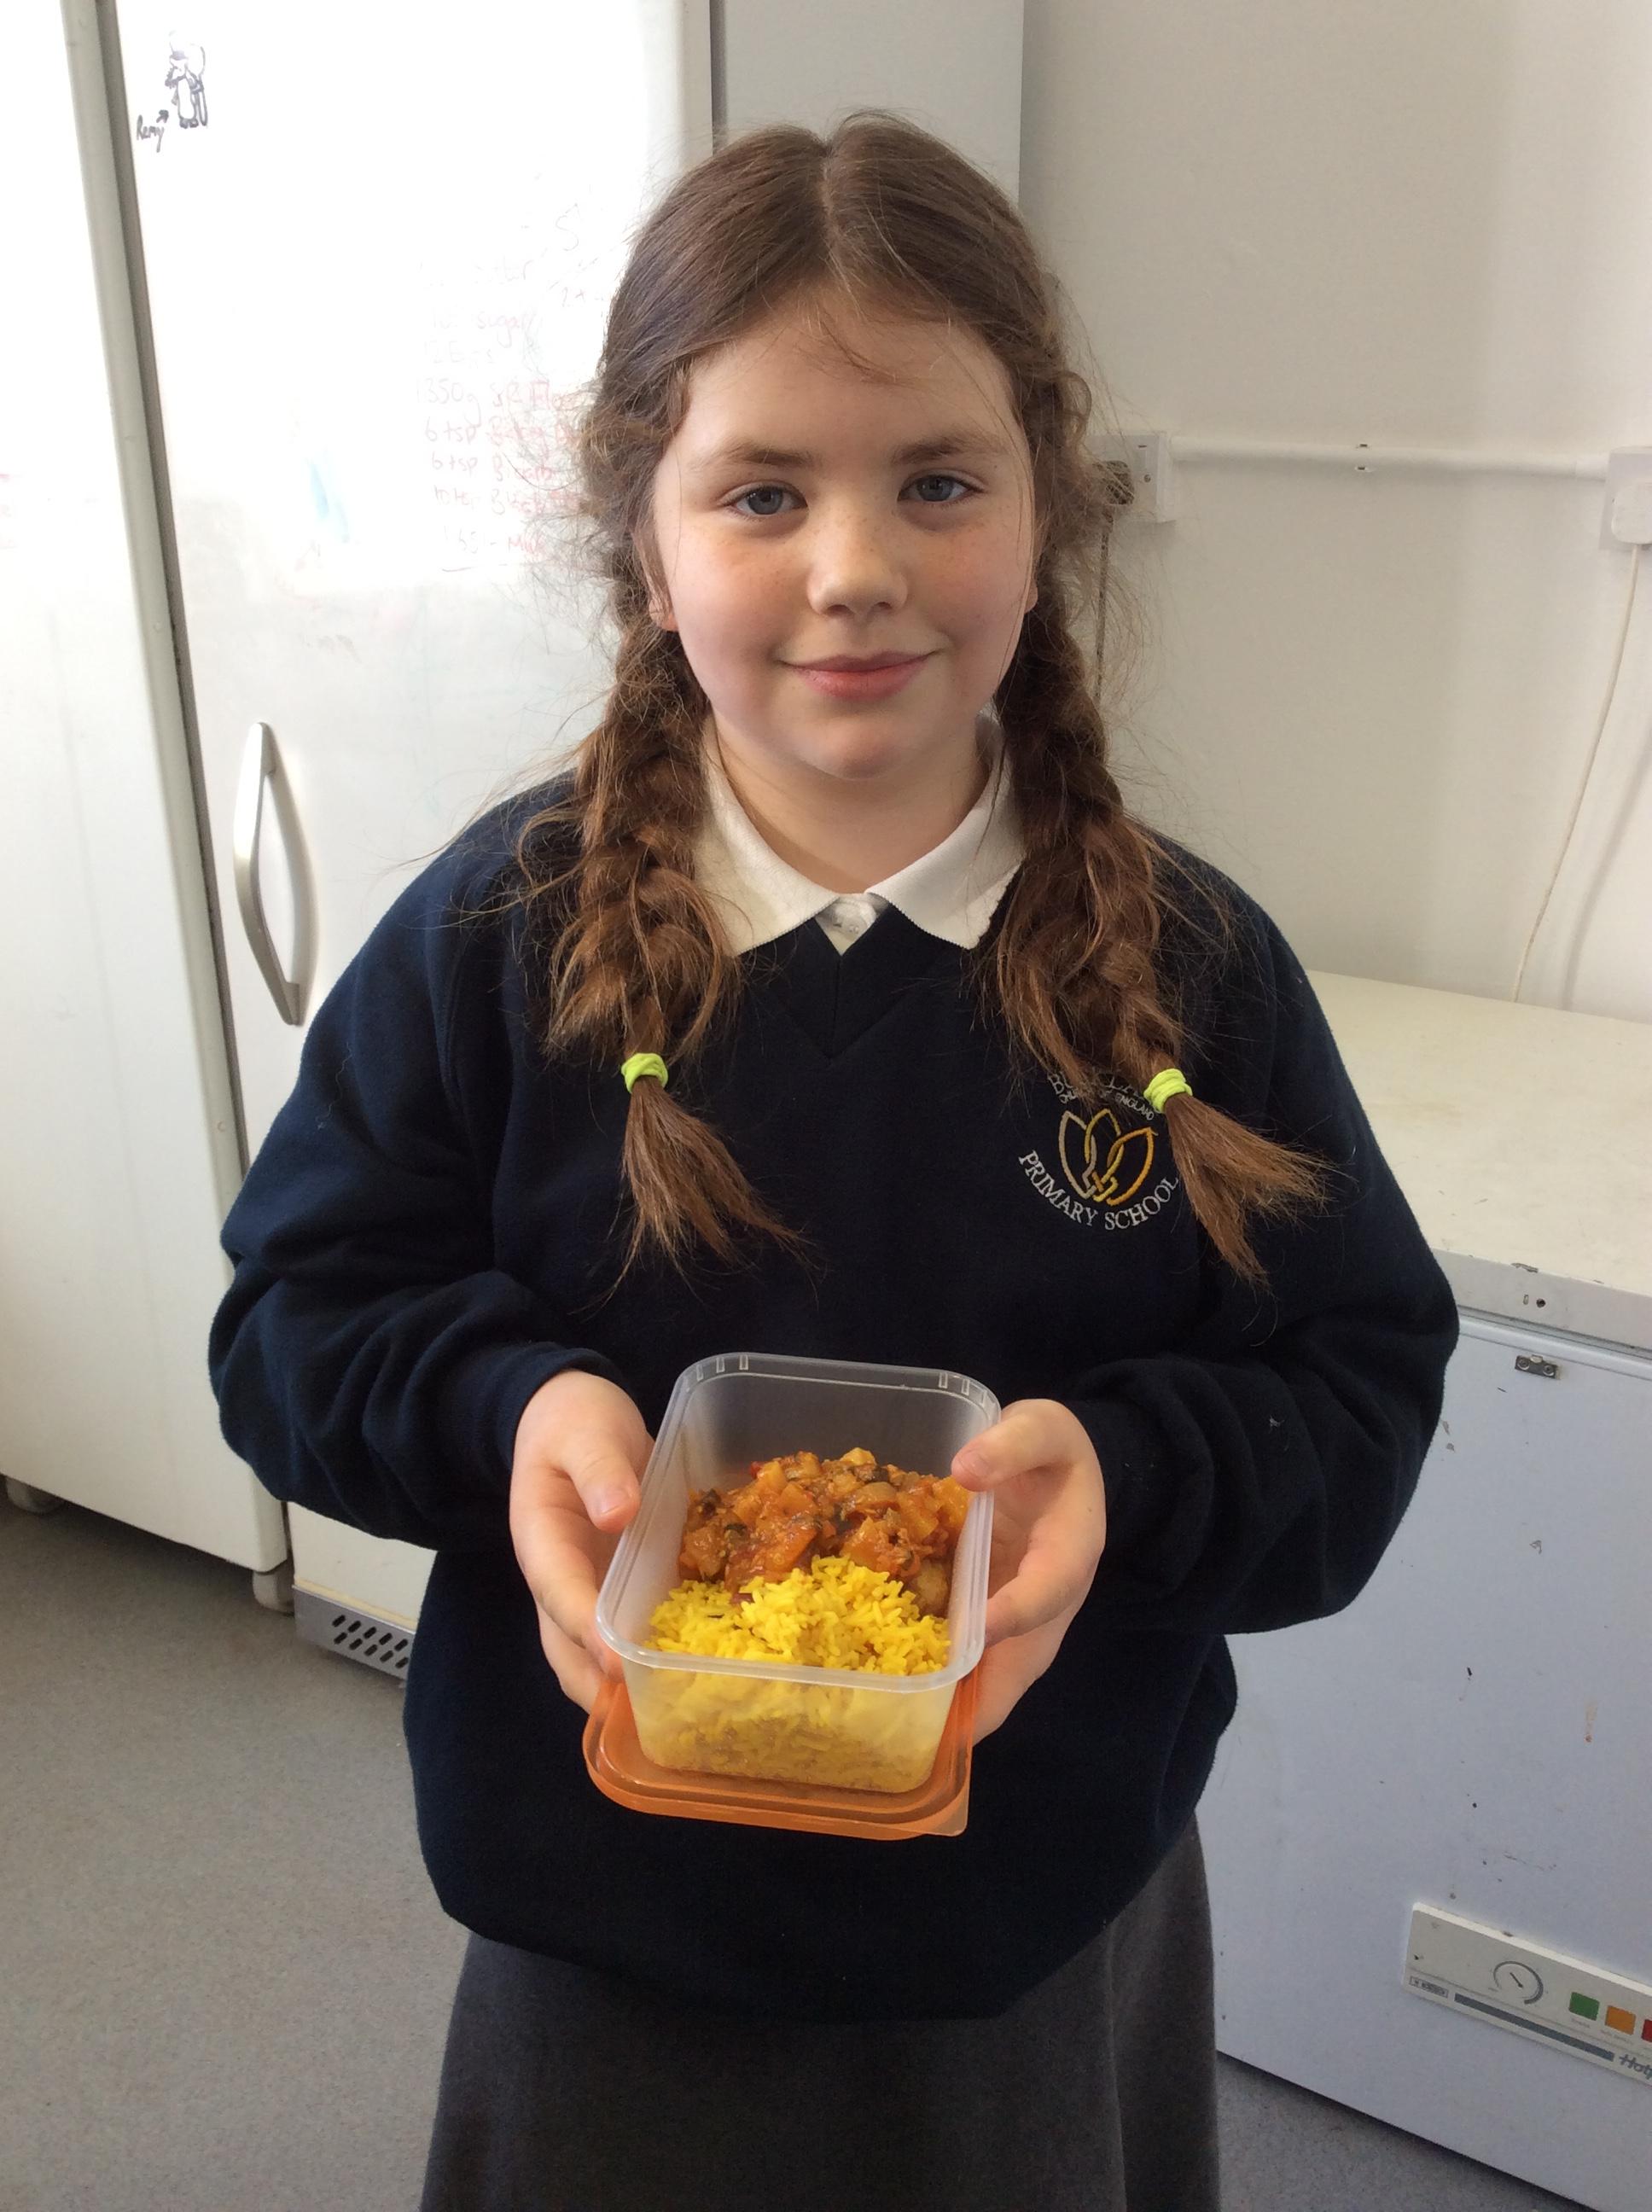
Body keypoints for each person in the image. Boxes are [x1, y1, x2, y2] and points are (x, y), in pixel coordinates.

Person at [207, 111, 1458, 2212]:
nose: (854, 565)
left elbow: (1355, 1382)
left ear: (1044, 510)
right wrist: (510, 1410)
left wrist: (1126, 1475)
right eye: (762, 491)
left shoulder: (1191, 971)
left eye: (936, 483)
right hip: (612, 1935)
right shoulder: (496, 939)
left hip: (1029, 1933)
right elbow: (290, 1328)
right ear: (645, 539)